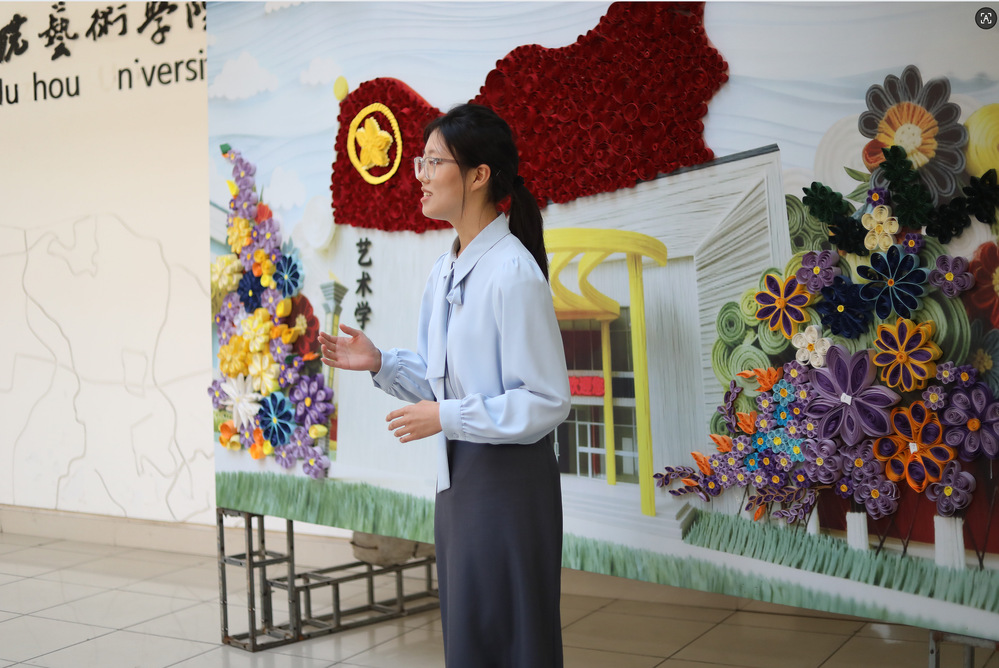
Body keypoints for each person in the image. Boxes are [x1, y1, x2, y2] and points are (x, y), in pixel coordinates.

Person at [319, 102, 570, 667]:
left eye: (435, 162)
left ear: (479, 176)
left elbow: (548, 400)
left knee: (512, 639)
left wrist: (447, 418)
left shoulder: (514, 273)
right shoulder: (445, 269)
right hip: (458, 480)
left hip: (510, 485)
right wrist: (381, 363)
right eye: (422, 162)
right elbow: (443, 381)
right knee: (471, 635)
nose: (423, 175)